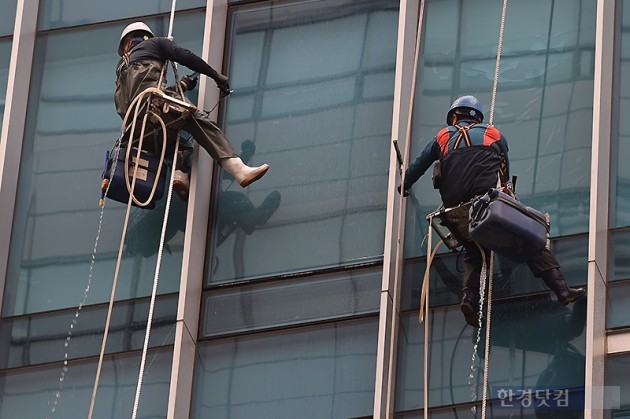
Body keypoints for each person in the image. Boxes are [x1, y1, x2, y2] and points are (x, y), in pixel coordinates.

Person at [399, 95, 585, 327]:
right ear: (477, 117)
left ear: (455, 116)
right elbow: (503, 173)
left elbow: (418, 166)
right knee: (531, 241)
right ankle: (562, 290)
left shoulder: (442, 137)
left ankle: (469, 298)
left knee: (473, 251)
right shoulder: (494, 134)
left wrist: (404, 185)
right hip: (485, 203)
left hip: (456, 207)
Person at [114, 21, 269, 200]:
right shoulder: (155, 43)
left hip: (136, 131)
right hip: (153, 109)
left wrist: (184, 85)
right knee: (197, 119)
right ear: (145, 36)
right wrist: (215, 75)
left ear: (127, 43)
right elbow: (186, 56)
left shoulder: (121, 68)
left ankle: (180, 176)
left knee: (177, 144)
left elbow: (142, 90)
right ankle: (238, 169)